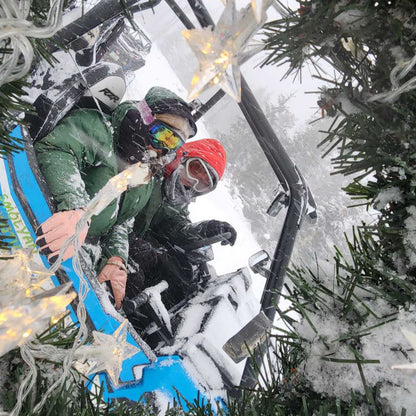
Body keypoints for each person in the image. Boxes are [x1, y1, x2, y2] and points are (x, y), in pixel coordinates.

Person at [34, 86, 197, 309]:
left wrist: (116, 258)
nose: (161, 147)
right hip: (41, 223)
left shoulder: (144, 173)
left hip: (78, 257)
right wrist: (76, 207)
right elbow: (58, 150)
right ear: (144, 118)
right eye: (162, 133)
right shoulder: (100, 130)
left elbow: (122, 222)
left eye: (173, 144)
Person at [126, 138, 237, 303]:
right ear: (182, 159)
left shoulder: (177, 196)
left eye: (204, 183)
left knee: (176, 279)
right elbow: (118, 209)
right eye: (195, 169)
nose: (194, 181)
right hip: (111, 240)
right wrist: (132, 242)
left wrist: (206, 229)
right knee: (133, 282)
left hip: (134, 248)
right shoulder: (150, 173)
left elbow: (175, 227)